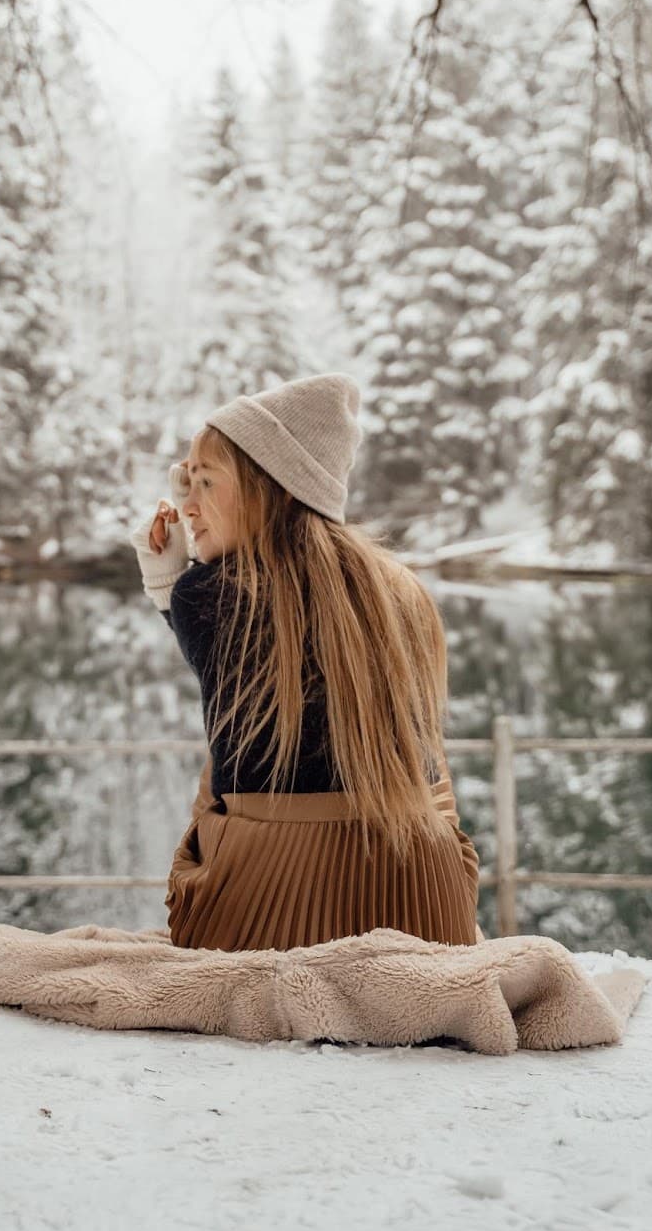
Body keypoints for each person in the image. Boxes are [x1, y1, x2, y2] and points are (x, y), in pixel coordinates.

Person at [129, 372, 485, 954]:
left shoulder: (206, 594)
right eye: (187, 482)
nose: (187, 506)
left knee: (216, 780)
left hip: (265, 908)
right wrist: (206, 499)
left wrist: (168, 580)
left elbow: (218, 656)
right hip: (424, 903)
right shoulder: (402, 592)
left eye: (206, 482)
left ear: (268, 489)